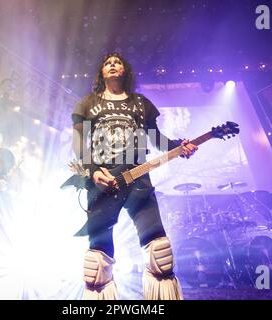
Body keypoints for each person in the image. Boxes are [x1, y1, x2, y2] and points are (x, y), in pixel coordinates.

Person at [72, 52, 198, 300]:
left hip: (139, 179)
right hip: (103, 182)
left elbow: (157, 139)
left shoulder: (140, 103)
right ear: (101, 72)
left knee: (160, 254)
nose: (112, 64)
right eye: (107, 63)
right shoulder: (87, 103)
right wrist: (94, 172)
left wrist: (178, 147)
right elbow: (79, 144)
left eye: (117, 62)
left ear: (125, 70)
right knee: (97, 264)